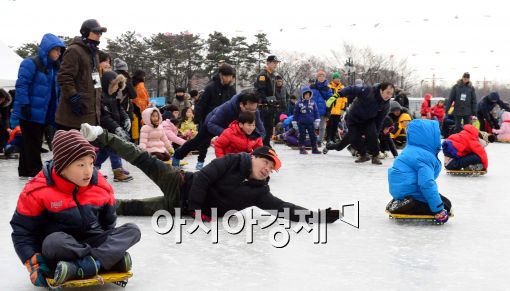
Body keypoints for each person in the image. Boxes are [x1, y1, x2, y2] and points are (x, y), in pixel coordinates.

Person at [79, 123, 341, 223]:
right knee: (143, 159)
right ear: (256, 157)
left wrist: (316, 217)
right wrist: (196, 209)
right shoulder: (232, 161)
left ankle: (86, 206)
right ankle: (103, 135)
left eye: (271, 169)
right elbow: (203, 177)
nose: (267, 171)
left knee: (131, 208)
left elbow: (284, 208)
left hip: (178, 208)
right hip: (179, 184)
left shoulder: (260, 193)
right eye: (267, 164)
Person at [10, 129, 140, 287]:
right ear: (62, 167)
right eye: (80, 165)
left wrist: (108, 243)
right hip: (61, 248)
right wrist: (35, 263)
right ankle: (106, 260)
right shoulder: (37, 190)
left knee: (132, 230)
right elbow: (22, 232)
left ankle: (87, 265)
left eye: (91, 163)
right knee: (52, 242)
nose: (88, 171)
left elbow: (109, 225)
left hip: (93, 241)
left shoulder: (100, 185)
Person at [13, 33, 65, 178]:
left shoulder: (54, 68)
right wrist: (24, 104)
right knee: (34, 141)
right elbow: (22, 85)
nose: (58, 53)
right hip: (29, 110)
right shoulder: (30, 63)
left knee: (29, 141)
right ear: (48, 49)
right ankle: (35, 171)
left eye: (60, 50)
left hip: (43, 112)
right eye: (56, 49)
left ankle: (24, 170)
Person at [172, 90, 265, 170]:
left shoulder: (254, 111)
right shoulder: (227, 108)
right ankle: (177, 155)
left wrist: (254, 138)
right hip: (212, 123)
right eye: (249, 110)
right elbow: (211, 124)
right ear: (241, 105)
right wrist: (229, 134)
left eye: (254, 110)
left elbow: (261, 131)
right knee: (198, 142)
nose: (252, 113)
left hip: (233, 128)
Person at [386, 119, 451, 223]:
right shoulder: (424, 156)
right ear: (430, 137)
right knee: (446, 205)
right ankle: (409, 205)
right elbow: (426, 183)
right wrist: (438, 209)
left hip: (400, 191)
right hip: (412, 192)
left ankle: (402, 201)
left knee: (440, 200)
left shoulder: (409, 150)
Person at [56, 19, 107, 130]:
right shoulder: (74, 50)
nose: (99, 35)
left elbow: (95, 78)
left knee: (88, 147)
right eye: (96, 32)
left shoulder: (94, 53)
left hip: (91, 117)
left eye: (101, 33)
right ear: (85, 32)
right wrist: (73, 97)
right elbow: (64, 77)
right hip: (73, 118)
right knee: (72, 147)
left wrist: (99, 98)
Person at [338, 82, 394, 164]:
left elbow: (380, 120)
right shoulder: (369, 90)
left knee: (373, 134)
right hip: (354, 117)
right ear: (381, 91)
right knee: (353, 138)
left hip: (368, 119)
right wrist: (339, 94)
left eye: (391, 94)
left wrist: (376, 133)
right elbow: (352, 89)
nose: (389, 96)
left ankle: (375, 156)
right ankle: (363, 155)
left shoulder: (386, 105)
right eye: (387, 93)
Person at [95, 71, 133, 182]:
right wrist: (116, 128)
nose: (117, 88)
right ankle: (118, 172)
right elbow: (104, 117)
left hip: (113, 128)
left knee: (105, 151)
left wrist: (126, 118)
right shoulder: (101, 97)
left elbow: (120, 109)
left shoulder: (113, 96)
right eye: (116, 85)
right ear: (109, 84)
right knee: (114, 148)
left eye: (119, 85)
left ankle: (94, 167)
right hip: (105, 129)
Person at [254, 55, 280, 146]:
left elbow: (272, 92)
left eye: (276, 63)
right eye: (274, 63)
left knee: (269, 126)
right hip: (264, 105)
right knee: (263, 126)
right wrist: (267, 101)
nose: (275, 65)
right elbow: (261, 90)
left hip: (270, 104)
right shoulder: (263, 74)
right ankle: (262, 144)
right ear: (268, 63)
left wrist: (275, 102)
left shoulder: (272, 74)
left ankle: (266, 143)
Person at [293, 86, 320, 154]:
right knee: (302, 135)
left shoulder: (313, 103)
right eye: (305, 94)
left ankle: (314, 148)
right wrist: (294, 122)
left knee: (313, 135)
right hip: (301, 123)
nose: (307, 96)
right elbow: (295, 113)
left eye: (308, 94)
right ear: (302, 95)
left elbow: (316, 112)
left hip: (311, 122)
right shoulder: (299, 103)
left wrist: (317, 120)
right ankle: (302, 148)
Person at [310, 70, 333, 147]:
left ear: (325, 77)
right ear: (317, 77)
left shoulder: (328, 88)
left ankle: (320, 141)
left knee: (322, 126)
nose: (321, 77)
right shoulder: (312, 87)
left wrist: (328, 111)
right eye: (320, 76)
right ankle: (312, 139)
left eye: (323, 76)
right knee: (311, 125)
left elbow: (330, 100)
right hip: (312, 109)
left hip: (323, 110)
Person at [113, 58, 137, 130]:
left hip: (112, 109)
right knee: (125, 133)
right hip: (124, 110)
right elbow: (133, 95)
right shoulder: (126, 79)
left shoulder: (110, 76)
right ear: (124, 69)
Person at [132, 70, 150, 142]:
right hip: (139, 109)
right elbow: (143, 100)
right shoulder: (141, 86)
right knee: (139, 129)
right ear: (142, 76)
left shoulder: (133, 84)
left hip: (133, 108)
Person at [0, 88, 13, 153]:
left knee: (3, 129)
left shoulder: (6, 103)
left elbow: (6, 117)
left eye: (2, 99)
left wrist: (7, 127)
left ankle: (3, 147)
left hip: (3, 120)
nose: (0, 101)